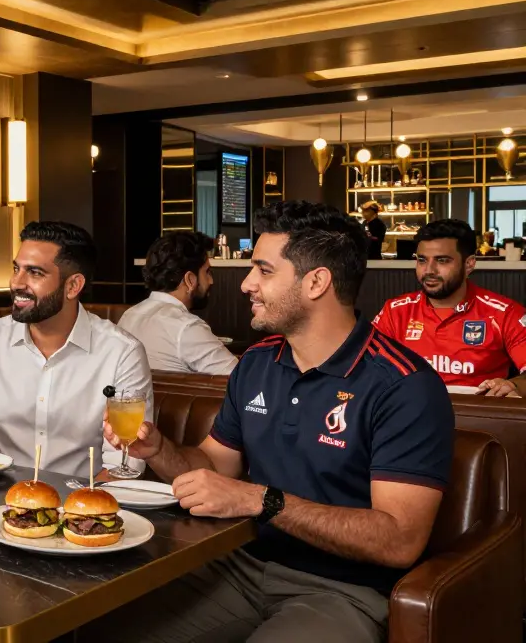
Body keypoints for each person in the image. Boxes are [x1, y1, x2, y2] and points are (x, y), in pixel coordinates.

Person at [97, 201, 453, 642]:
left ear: (316, 282)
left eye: (263, 270)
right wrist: (159, 450)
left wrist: (262, 501)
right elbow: (214, 466)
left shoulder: (404, 385)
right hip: (240, 566)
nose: (246, 283)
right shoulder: (257, 363)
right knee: (100, 628)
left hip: (343, 591)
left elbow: (399, 541)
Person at [0, 221, 153, 479]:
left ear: (73, 286)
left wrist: (78, 504)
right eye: (16, 269)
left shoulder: (122, 352)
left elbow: (125, 464)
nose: (17, 283)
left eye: (35, 273)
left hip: (80, 496)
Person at [373, 218, 526, 396]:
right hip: (410, 409)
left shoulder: (505, 313)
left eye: (442, 260)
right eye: (422, 260)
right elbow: (364, 367)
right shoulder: (395, 311)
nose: (429, 270)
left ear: (469, 264)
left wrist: (513, 386)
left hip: (476, 411)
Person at [119, 231, 237, 375]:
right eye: (207, 272)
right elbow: (241, 378)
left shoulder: (128, 317)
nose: (211, 281)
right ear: (190, 280)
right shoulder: (187, 327)